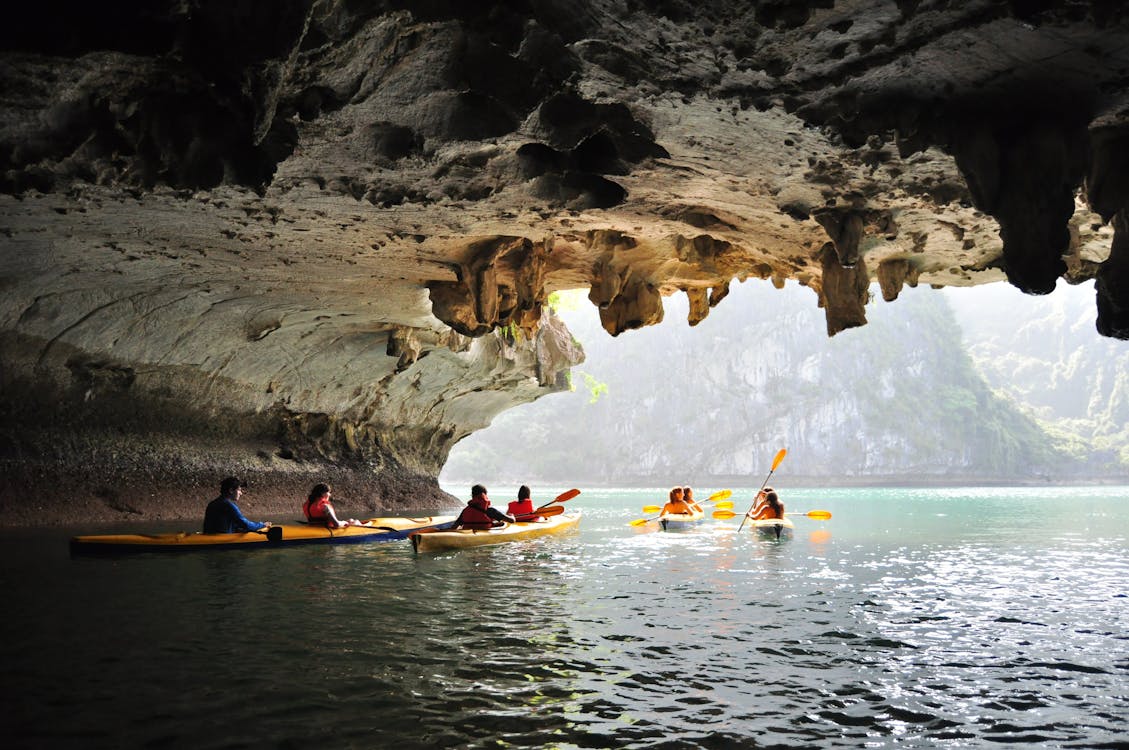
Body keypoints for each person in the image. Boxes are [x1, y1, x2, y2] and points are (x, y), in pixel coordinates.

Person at [202, 477, 271, 534]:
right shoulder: (228, 505)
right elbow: (246, 524)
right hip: (221, 541)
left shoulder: (212, 503)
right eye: (239, 490)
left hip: (209, 536)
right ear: (231, 490)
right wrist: (262, 525)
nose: (241, 493)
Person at [303, 482, 367, 528]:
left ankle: (354, 522)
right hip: (327, 528)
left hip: (314, 527)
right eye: (328, 492)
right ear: (322, 494)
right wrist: (344, 522)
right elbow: (336, 525)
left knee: (351, 520)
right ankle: (366, 526)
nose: (330, 495)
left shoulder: (307, 505)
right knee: (356, 522)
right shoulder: (325, 507)